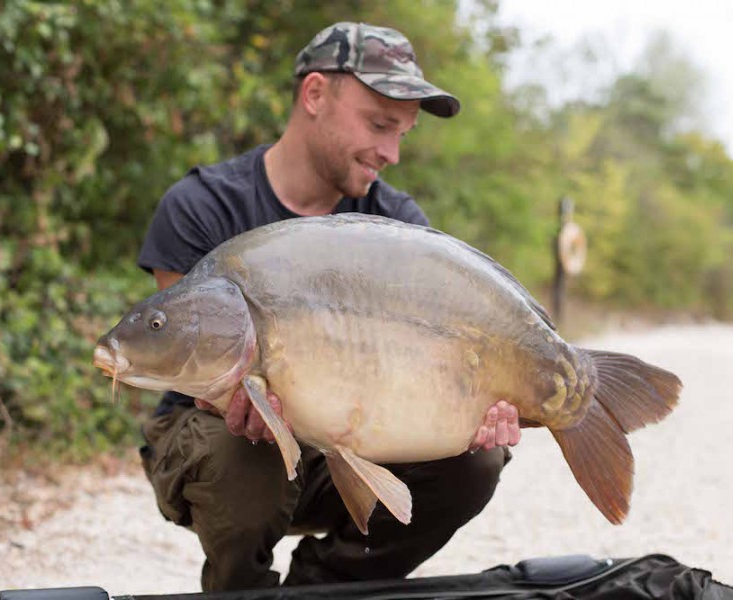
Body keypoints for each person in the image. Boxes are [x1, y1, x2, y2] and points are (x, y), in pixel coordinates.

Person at [136, 22, 522, 592]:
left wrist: (471, 412)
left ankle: (326, 588)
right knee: (243, 452)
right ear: (315, 95)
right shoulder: (203, 206)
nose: (390, 153)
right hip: (219, 436)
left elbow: (421, 376)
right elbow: (196, 366)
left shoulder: (398, 229)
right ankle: (238, 589)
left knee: (475, 462)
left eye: (402, 135)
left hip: (349, 437)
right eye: (379, 125)